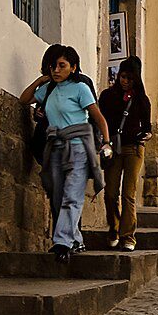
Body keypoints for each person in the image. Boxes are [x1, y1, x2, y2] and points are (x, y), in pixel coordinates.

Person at [21, 46, 110, 263]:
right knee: (58, 196)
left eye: (62, 66)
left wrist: (106, 142)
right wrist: (40, 81)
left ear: (73, 67)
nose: (56, 70)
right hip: (55, 148)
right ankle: (76, 240)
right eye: (53, 66)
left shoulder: (80, 88)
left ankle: (62, 242)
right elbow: (25, 99)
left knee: (72, 195)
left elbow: (98, 117)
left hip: (78, 146)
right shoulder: (48, 89)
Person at [99, 56, 152, 252]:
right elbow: (101, 120)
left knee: (128, 193)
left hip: (134, 149)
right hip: (113, 148)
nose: (125, 81)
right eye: (123, 77)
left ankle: (128, 236)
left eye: (129, 78)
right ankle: (114, 228)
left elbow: (148, 128)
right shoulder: (107, 96)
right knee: (111, 193)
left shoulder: (141, 100)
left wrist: (145, 135)